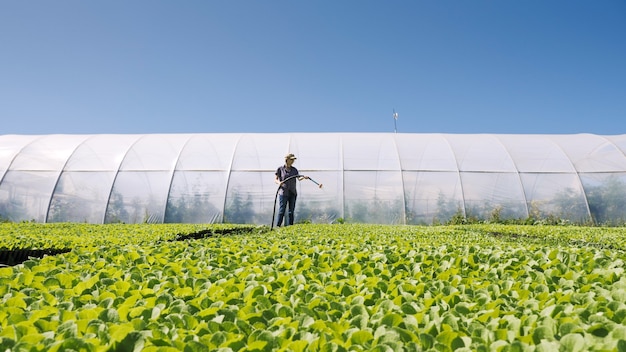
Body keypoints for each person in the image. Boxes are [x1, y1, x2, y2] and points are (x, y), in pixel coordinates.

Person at [275, 153, 308, 226]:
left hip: (292, 193)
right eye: (291, 159)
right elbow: (276, 179)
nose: (293, 161)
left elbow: (298, 178)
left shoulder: (294, 170)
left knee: (291, 211)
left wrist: (304, 177)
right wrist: (279, 183)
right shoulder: (280, 169)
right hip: (283, 193)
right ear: (287, 160)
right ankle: (278, 226)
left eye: (293, 160)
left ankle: (291, 227)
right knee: (282, 210)